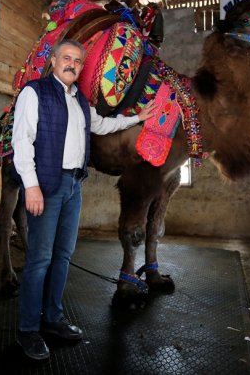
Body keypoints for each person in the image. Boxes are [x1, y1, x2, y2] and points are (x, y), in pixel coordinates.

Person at [11, 39, 156, 360]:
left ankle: (52, 319)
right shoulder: (34, 93)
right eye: (66, 58)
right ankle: (27, 330)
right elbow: (22, 141)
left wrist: (138, 117)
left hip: (75, 185)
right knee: (39, 259)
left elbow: (102, 124)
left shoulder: (79, 100)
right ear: (52, 61)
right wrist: (31, 186)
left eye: (77, 61)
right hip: (47, 185)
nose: (72, 64)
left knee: (63, 255)